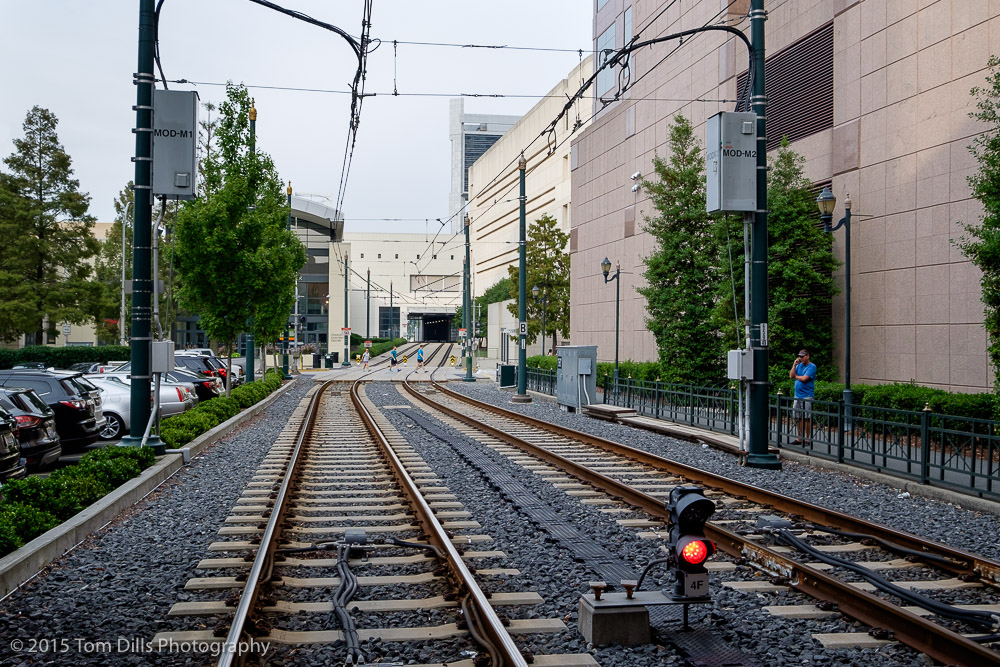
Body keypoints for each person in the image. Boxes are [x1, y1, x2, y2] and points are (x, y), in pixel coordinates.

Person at [789, 348, 816, 445]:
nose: (801, 358)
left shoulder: (812, 367)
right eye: (800, 356)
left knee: (807, 418)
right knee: (798, 417)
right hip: (798, 395)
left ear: (807, 356)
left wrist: (796, 376)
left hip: (807, 395)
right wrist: (794, 365)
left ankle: (807, 439)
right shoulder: (798, 365)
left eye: (803, 356)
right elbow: (791, 376)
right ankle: (799, 438)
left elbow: (805, 378)